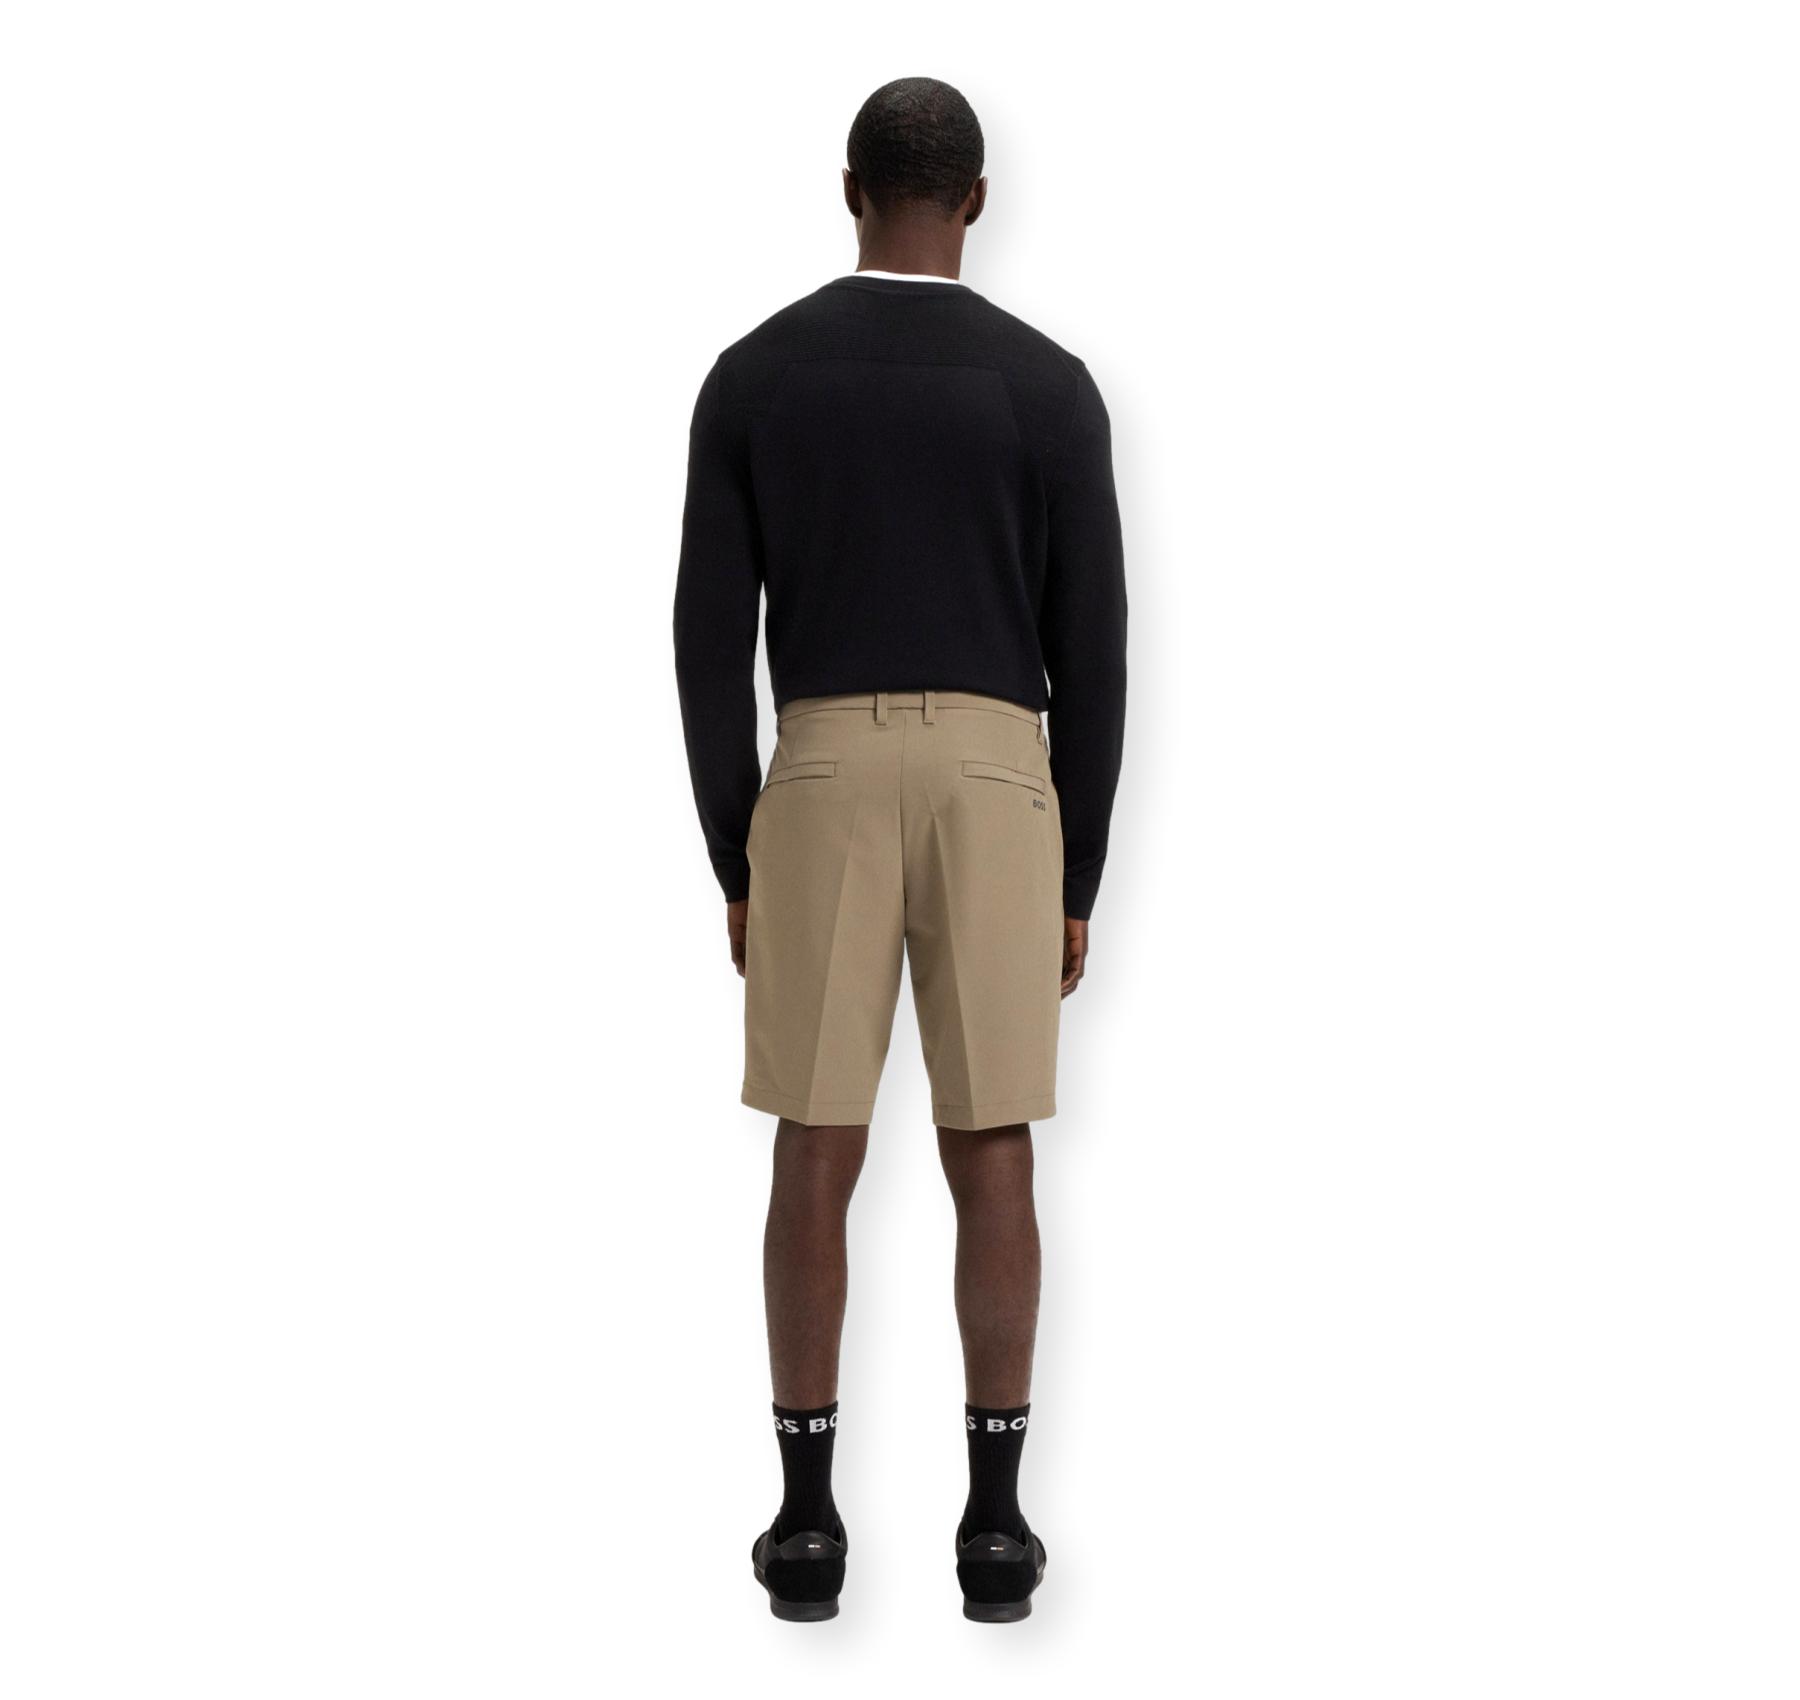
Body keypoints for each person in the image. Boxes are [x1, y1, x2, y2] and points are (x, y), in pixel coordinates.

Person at [673, 76, 1126, 1623]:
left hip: (822, 769)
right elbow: (1094, 650)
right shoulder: (1050, 388)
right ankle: (995, 1527)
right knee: (991, 1141)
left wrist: (739, 852)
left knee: (818, 1138)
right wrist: (1078, 873)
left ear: (849, 188)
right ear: (976, 200)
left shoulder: (755, 377)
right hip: (1001, 773)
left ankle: (806, 1522)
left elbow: (705, 641)